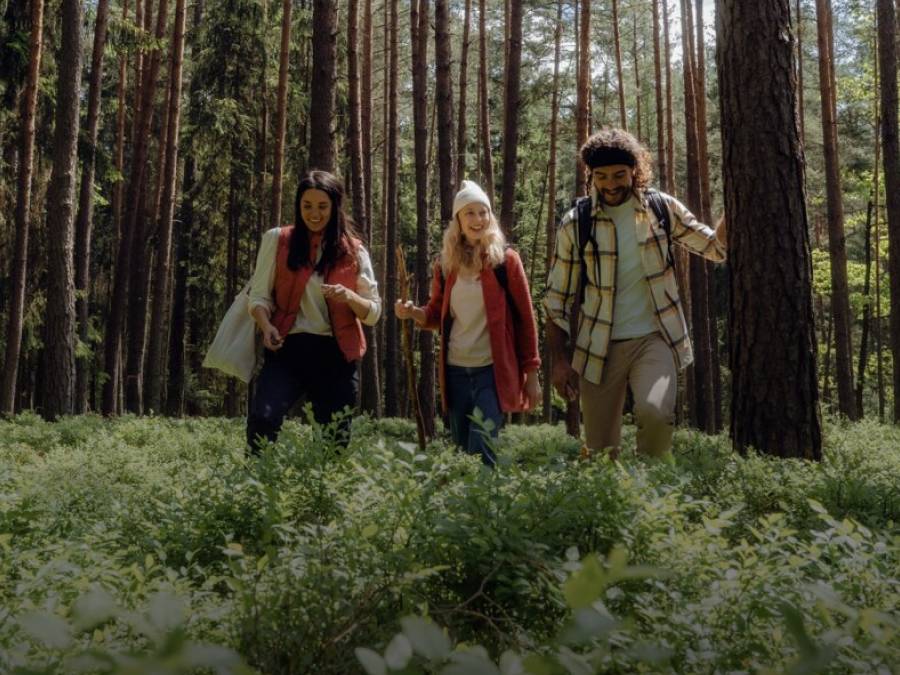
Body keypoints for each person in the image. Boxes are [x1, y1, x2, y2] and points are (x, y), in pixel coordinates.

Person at [544, 128, 727, 460]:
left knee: (656, 413)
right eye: (601, 176)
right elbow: (556, 298)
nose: (611, 184)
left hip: (655, 339)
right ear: (591, 176)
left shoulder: (661, 209)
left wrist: (738, 196)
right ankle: (610, 507)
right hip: (598, 347)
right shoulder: (576, 223)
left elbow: (714, 247)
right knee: (600, 452)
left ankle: (655, 500)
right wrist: (558, 360)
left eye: (619, 174)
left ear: (635, 171)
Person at [395, 180, 541, 466]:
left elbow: (526, 319)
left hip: (492, 372)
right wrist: (413, 313)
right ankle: (466, 509)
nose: (477, 220)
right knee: (463, 452)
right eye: (469, 213)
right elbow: (436, 314)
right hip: (455, 372)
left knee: (482, 446)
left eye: (483, 212)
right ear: (458, 221)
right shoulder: (446, 265)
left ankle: (487, 509)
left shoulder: (506, 262)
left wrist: (532, 373)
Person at [245, 170, 381, 453]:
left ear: (335, 207)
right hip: (287, 349)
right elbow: (258, 296)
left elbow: (373, 312)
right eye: (307, 206)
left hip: (336, 354)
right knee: (263, 418)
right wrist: (265, 325)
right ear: (298, 206)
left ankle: (326, 494)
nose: (314, 213)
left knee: (334, 436)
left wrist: (350, 296)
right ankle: (255, 485)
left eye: (322, 206)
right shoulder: (277, 240)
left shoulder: (354, 251)